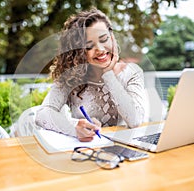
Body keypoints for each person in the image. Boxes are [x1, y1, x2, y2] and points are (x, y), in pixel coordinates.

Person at [35, 8, 146, 142]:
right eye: (89, 46)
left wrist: (108, 75)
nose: (100, 49)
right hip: (87, 151)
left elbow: (135, 120)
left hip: (126, 149)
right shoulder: (71, 78)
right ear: (79, 52)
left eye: (104, 39)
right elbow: (42, 115)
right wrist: (74, 126)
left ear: (112, 38)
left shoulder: (132, 73)